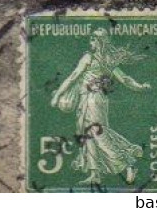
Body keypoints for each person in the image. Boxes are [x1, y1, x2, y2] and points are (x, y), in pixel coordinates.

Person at [50, 28, 150, 186]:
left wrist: (57, 95)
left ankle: (127, 164)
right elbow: (125, 79)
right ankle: (94, 174)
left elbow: (73, 77)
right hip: (97, 100)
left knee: (97, 133)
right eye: (91, 39)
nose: (91, 42)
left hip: (91, 99)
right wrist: (140, 87)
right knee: (89, 134)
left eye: (93, 40)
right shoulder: (108, 60)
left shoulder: (88, 57)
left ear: (100, 42)